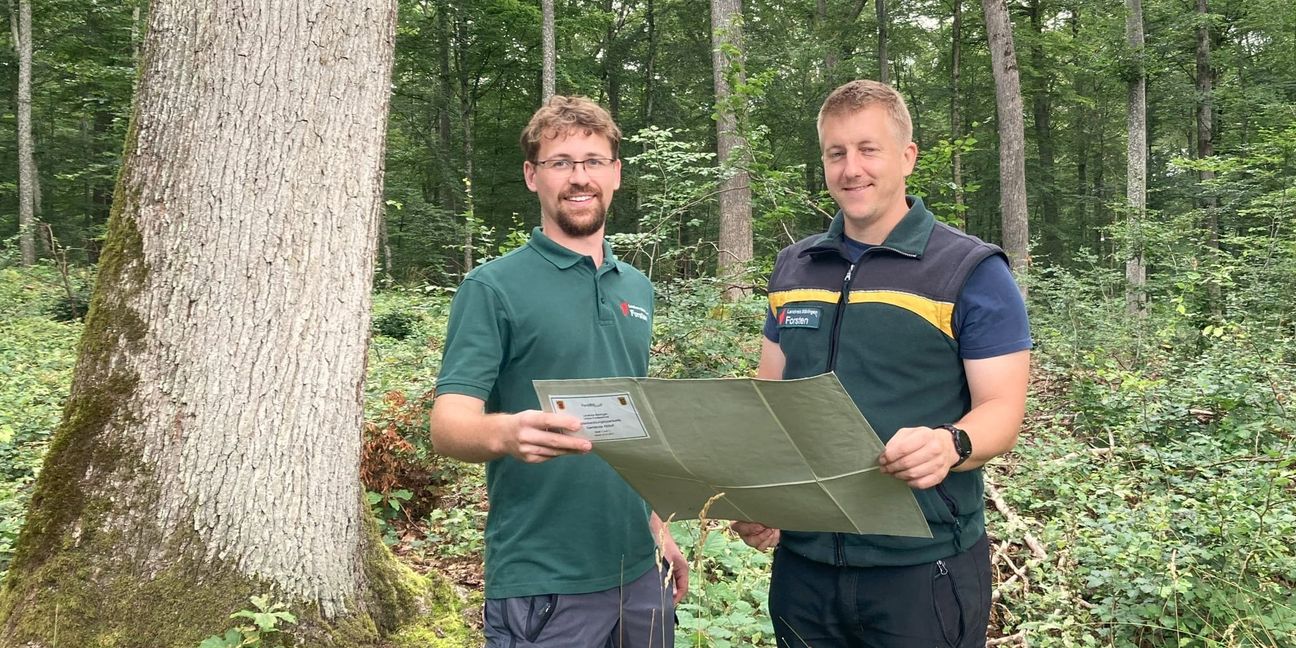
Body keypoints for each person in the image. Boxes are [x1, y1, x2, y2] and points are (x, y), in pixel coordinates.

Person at [731, 80, 1032, 647]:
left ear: (907, 157)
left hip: (923, 569)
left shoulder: (970, 270)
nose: (852, 168)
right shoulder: (794, 269)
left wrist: (950, 444)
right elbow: (770, 405)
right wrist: (759, 501)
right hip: (806, 569)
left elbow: (1003, 410)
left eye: (869, 149)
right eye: (836, 152)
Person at [429, 95, 687, 648]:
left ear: (615, 173)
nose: (579, 177)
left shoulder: (636, 288)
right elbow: (448, 424)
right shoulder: (493, 288)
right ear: (532, 175)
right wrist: (506, 431)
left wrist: (657, 529)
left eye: (593, 161)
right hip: (542, 578)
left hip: (639, 575)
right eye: (561, 162)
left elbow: (630, 428)